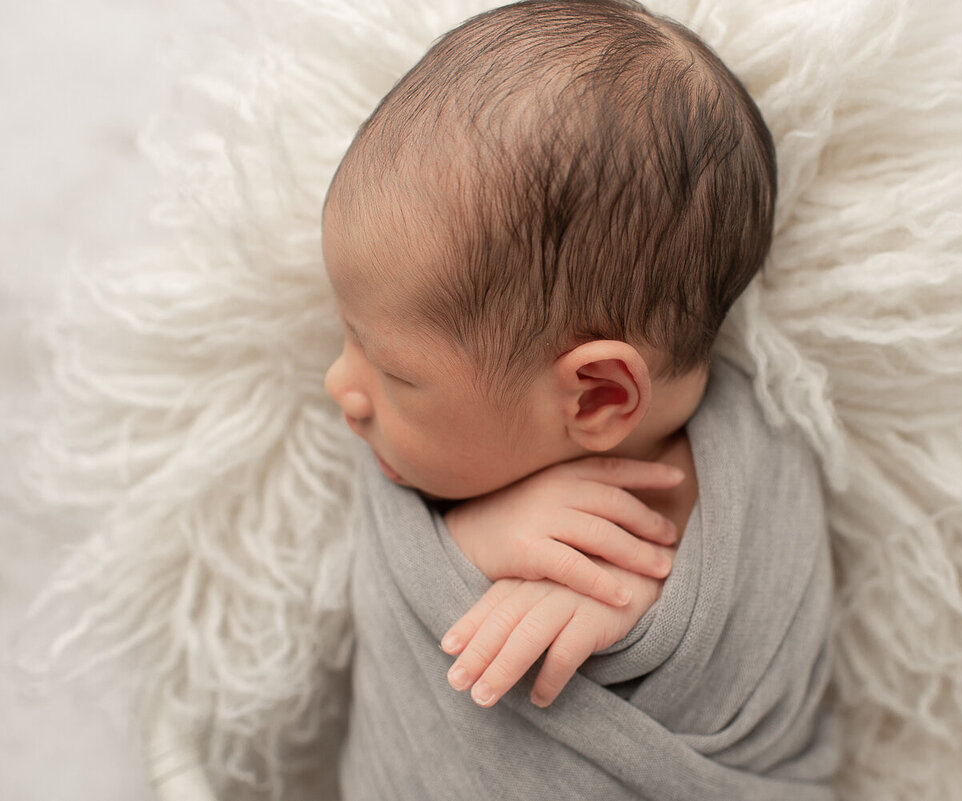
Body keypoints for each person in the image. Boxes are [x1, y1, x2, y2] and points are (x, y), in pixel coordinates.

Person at [323, 2, 837, 796]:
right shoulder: (444, 461)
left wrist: (639, 611)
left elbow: (766, 657)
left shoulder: (758, 472)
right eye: (348, 336)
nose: (340, 387)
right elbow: (391, 608)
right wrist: (467, 543)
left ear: (596, 395)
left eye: (396, 374)